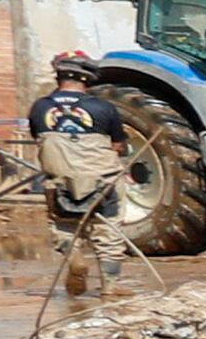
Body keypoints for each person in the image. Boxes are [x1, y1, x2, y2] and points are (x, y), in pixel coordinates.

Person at [24, 51, 139, 307]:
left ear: (59, 75)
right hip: (103, 183)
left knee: (64, 226)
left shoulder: (40, 107)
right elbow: (118, 145)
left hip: (61, 183)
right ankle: (109, 286)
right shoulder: (103, 107)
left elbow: (39, 138)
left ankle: (74, 256)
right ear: (87, 79)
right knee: (108, 232)